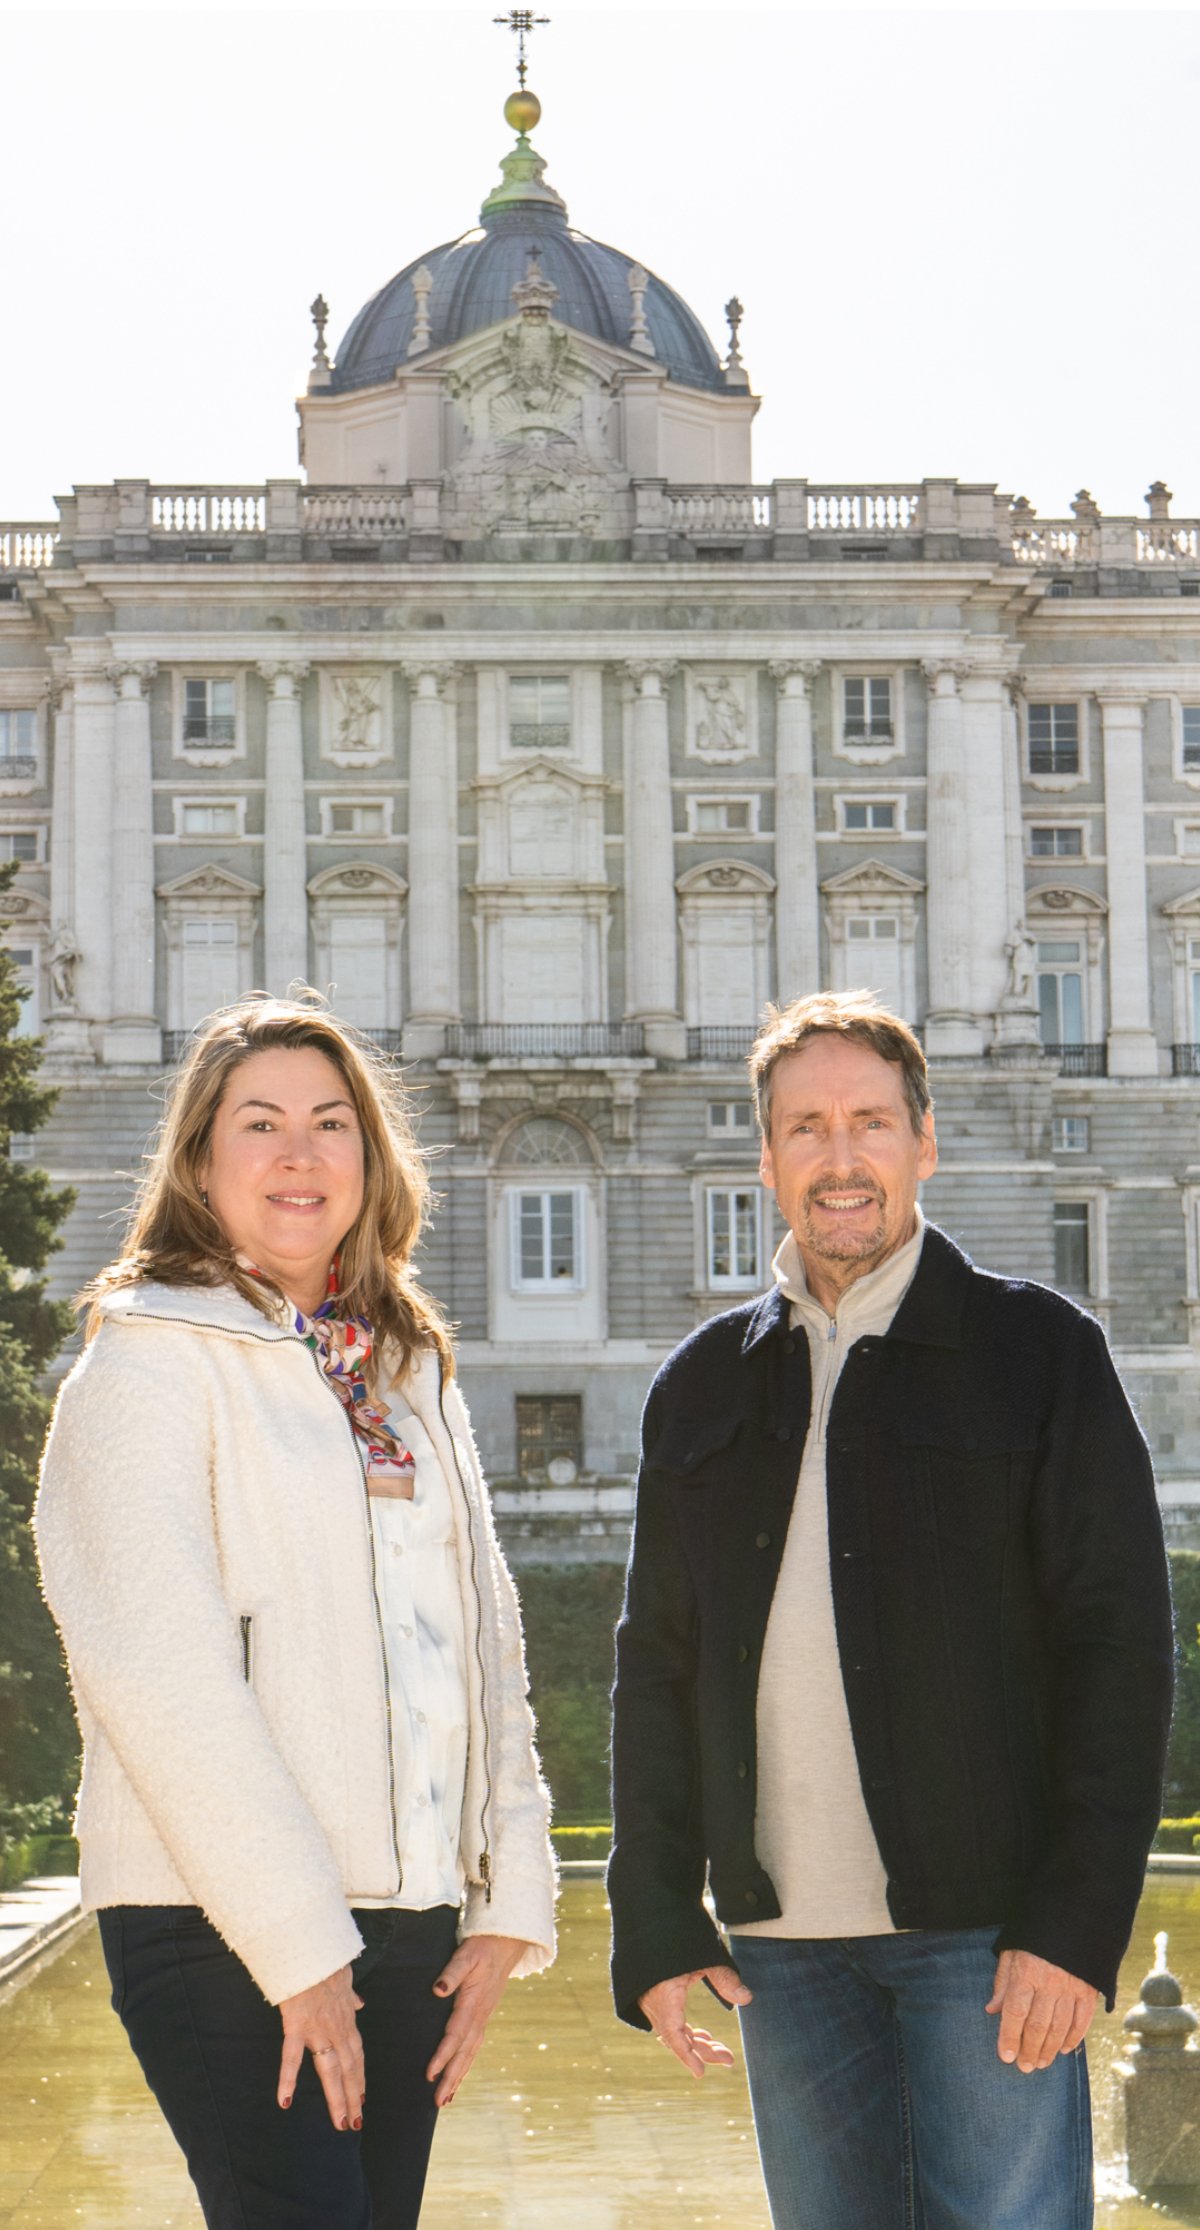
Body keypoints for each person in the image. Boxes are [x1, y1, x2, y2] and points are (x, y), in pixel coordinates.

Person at [608, 989, 1173, 2230]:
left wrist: (1075, 1925)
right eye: (806, 1127)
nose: (841, 1155)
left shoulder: (1041, 1353)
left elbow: (1119, 1653)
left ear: (925, 1142)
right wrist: (652, 1917)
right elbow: (656, 1667)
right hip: (781, 1951)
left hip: (989, 1940)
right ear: (766, 1159)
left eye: (869, 1121)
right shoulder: (699, 1385)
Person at [35, 995, 556, 2230]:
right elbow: (161, 1680)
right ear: (200, 1160)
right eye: (259, 1123)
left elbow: (484, 1646)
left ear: (371, 1158)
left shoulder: (404, 1368)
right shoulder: (144, 1357)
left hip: (409, 1917)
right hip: (217, 1919)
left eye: (331, 1122)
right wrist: (299, 1944)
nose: (299, 1152)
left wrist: (505, 1901)